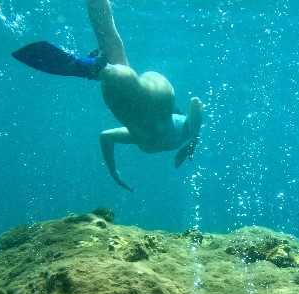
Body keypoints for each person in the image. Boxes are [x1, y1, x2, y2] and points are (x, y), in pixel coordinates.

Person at [12, 0, 205, 191]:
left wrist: (114, 172)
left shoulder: (144, 135)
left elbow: (105, 137)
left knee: (111, 43)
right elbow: (196, 105)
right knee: (117, 56)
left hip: (136, 99)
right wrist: (192, 143)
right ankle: (99, 69)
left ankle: (98, 68)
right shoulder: (182, 131)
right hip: (127, 103)